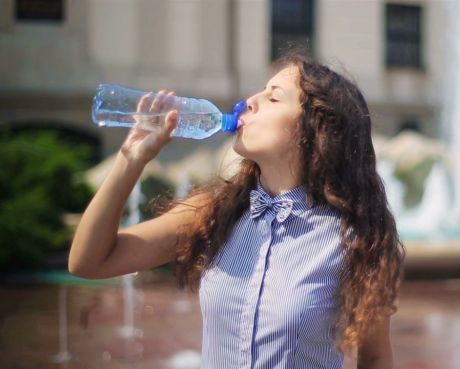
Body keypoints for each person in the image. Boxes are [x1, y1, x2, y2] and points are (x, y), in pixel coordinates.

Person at [68, 53, 405, 368]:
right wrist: (132, 158)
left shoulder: (355, 239)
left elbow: (374, 358)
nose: (249, 102)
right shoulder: (214, 211)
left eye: (273, 97)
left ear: (315, 129)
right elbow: (89, 262)